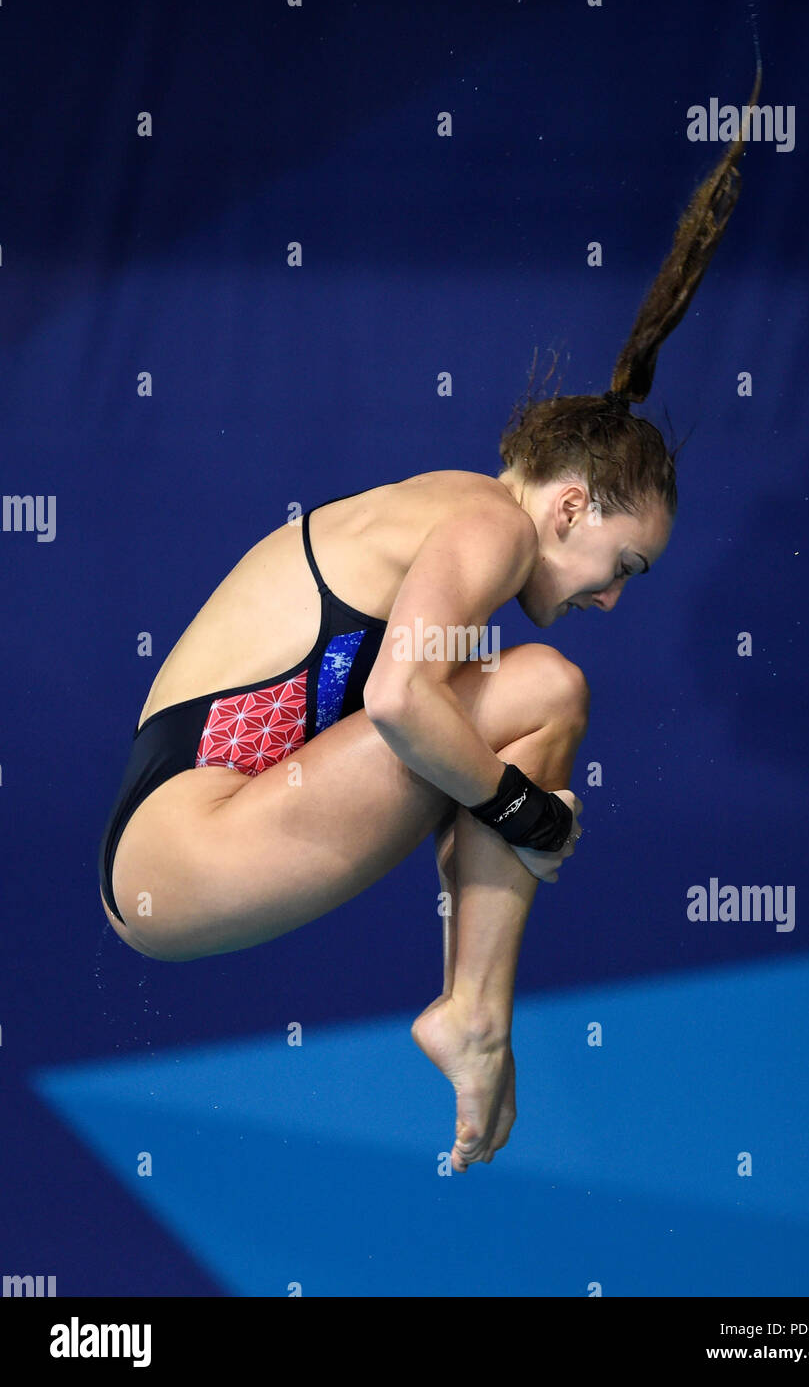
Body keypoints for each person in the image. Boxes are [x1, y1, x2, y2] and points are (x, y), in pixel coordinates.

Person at [98, 82, 758, 1172]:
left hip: (172, 841)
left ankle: (472, 1014)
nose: (617, 598)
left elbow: (415, 710)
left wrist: (506, 805)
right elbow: (403, 701)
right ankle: (474, 1018)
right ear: (567, 509)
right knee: (546, 691)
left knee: (514, 704)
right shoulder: (489, 525)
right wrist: (526, 812)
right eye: (622, 565)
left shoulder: (452, 508)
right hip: (186, 840)